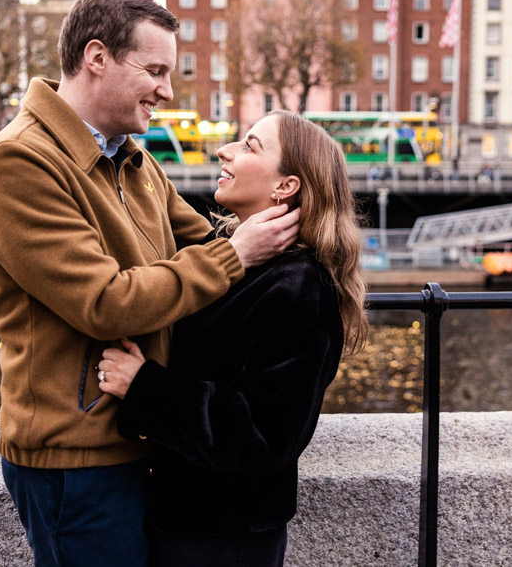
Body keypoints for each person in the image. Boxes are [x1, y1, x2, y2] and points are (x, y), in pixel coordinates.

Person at [0, 0, 299, 567]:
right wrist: (237, 255)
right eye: (155, 71)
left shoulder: (130, 157)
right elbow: (105, 302)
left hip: (142, 436)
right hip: (75, 456)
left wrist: (301, 251)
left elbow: (204, 240)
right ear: (97, 58)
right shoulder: (18, 162)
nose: (168, 91)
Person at [98, 110, 369, 566]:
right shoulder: (246, 263)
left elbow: (266, 436)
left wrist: (143, 386)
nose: (225, 151)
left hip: (223, 536)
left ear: (286, 186)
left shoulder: (297, 285)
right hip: (194, 520)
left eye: (249, 146)